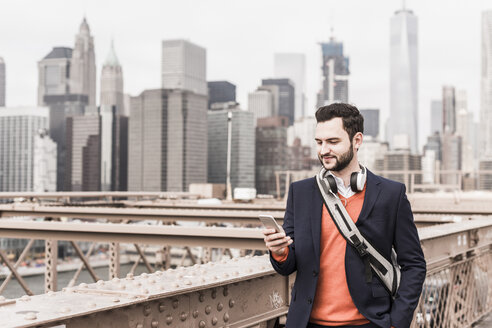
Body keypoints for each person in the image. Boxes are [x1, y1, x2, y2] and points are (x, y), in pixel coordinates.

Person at [262, 103, 426, 328]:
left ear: (357, 140)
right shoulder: (300, 193)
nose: (323, 150)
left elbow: (414, 264)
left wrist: (398, 322)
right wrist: (280, 251)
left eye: (333, 142)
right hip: (307, 323)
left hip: (369, 323)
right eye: (319, 142)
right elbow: (288, 265)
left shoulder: (391, 194)